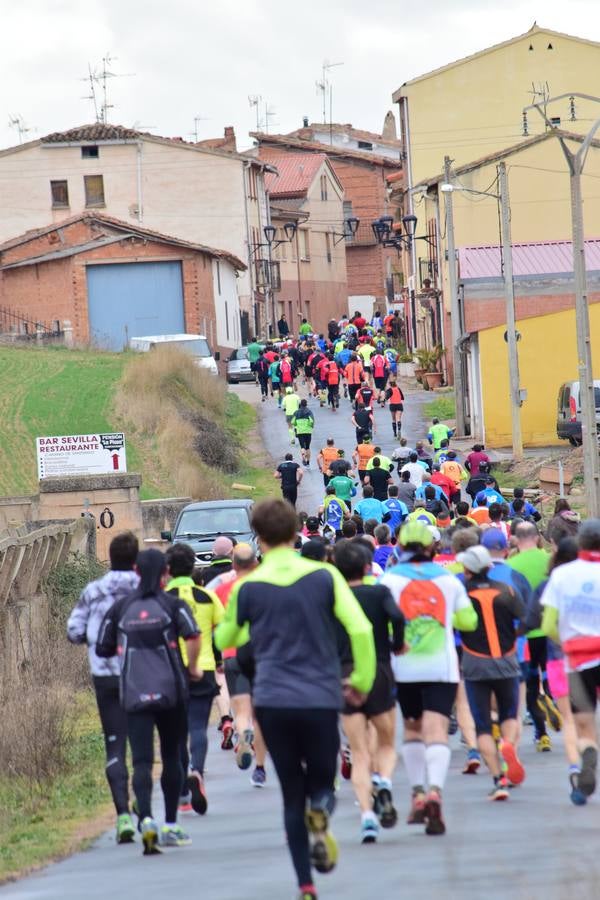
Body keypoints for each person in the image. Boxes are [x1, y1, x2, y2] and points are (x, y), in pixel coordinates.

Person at [215, 499, 376, 900]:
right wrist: (362, 679)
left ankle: (305, 885)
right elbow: (359, 629)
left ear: (259, 538)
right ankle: (322, 805)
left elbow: (223, 640)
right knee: (322, 779)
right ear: (294, 533)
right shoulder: (324, 575)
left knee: (291, 793)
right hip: (321, 694)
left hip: (272, 697)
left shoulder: (248, 585)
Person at [96, 549, 201, 854]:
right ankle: (170, 824)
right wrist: (192, 669)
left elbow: (103, 648)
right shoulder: (173, 605)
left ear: (136, 572)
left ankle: (147, 821)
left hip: (133, 692)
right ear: (166, 572)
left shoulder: (121, 607)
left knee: (141, 761)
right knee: (172, 755)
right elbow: (193, 635)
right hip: (171, 692)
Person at [380, 521, 477, 835]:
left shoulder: (390, 579)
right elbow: (469, 621)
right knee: (437, 730)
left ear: (401, 546)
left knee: (412, 729)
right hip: (442, 666)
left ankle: (418, 792)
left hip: (404, 666)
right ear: (433, 547)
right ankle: (436, 789)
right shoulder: (448, 579)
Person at [67, 531, 140, 844]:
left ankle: (122, 812)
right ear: (135, 559)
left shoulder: (93, 590)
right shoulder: (143, 588)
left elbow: (73, 630)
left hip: (105, 676)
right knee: (142, 744)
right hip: (141, 675)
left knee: (114, 743)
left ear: (110, 558)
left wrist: (90, 640)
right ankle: (145, 802)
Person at [334, 540, 404, 843]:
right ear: (367, 567)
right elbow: (399, 617)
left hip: (345, 674)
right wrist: (397, 643)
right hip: (379, 669)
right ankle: (384, 781)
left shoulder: (333, 599)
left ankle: (366, 816)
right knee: (387, 742)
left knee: (359, 752)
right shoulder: (379, 592)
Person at [456, 545, 526, 800]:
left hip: (474, 663)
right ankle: (507, 743)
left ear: (468, 570)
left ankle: (499, 779)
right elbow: (526, 618)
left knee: (483, 725)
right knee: (509, 713)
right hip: (506, 660)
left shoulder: (462, 594)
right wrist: (514, 636)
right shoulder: (507, 591)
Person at [542, 519, 600, 805]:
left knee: (584, 725)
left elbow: (548, 623)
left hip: (578, 658)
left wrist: (563, 641)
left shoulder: (562, 575)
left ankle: (587, 752)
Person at [166, 543, 223, 815]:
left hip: (171, 671)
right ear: (193, 569)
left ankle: (182, 792)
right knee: (198, 726)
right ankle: (197, 771)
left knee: (177, 731)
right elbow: (221, 634)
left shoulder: (162, 598)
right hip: (204, 668)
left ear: (168, 570)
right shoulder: (207, 596)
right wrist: (220, 660)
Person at [215, 543, 268, 788]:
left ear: (234, 565)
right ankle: (259, 768)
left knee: (242, 709)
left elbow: (217, 626)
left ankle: (242, 730)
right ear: (256, 563)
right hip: (259, 651)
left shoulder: (222, 590)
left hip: (232, 653)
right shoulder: (264, 587)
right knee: (259, 712)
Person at [508, 521, 553, 751]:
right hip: (549, 628)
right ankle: (553, 699)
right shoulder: (549, 561)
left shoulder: (511, 565)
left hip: (524, 633)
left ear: (516, 539)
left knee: (530, 685)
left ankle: (541, 733)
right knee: (550, 673)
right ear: (537, 538)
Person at [292, 399, 315, 466]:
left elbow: (293, 422)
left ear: (300, 404)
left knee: (302, 446)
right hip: (308, 431)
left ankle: (303, 458)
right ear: (306, 404)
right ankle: (308, 462)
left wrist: (297, 425)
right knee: (308, 447)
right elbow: (311, 421)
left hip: (300, 432)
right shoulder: (309, 412)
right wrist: (311, 427)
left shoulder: (296, 412)